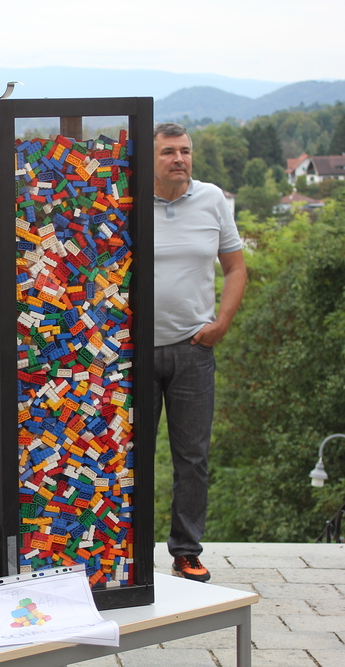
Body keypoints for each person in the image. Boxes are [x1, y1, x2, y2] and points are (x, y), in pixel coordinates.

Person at [152, 122, 247, 583]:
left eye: (185, 151)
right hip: (132, 354)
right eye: (168, 151)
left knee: (193, 458)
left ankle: (186, 552)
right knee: (128, 457)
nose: (179, 159)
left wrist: (221, 323)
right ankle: (125, 550)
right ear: (151, 158)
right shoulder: (125, 201)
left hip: (193, 350)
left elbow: (235, 267)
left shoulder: (212, 200)